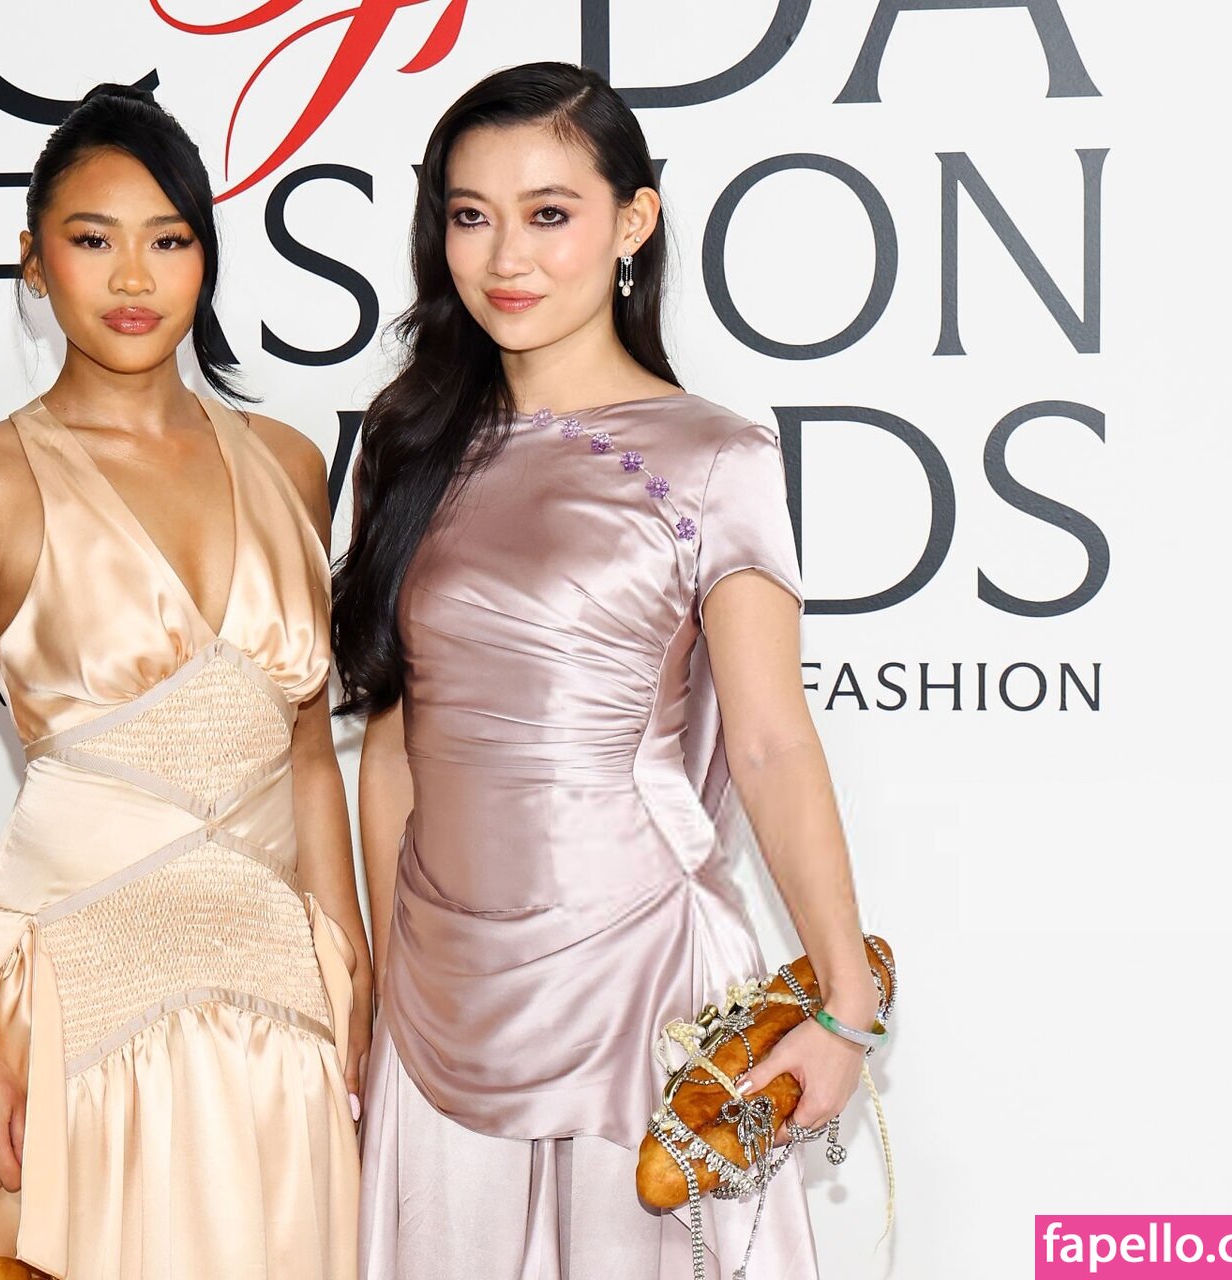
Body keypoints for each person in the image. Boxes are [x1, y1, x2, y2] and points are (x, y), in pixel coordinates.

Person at [332, 62, 880, 1279]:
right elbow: (395, 756)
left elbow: (771, 741)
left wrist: (845, 1001)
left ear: (633, 222)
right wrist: (383, 992)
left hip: (643, 978)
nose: (505, 257)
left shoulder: (716, 456)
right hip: (436, 993)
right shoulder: (406, 445)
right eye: (470, 215)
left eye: (549, 213)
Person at [0, 84, 370, 1280]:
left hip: (280, 1015)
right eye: (92, 238)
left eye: (168, 241)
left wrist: (353, 970)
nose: (133, 277)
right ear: (32, 259)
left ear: (206, 259)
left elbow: (309, 754)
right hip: (75, 1023)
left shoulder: (289, 463)